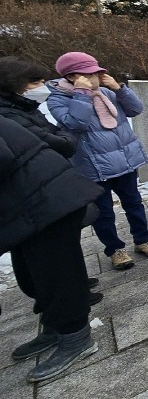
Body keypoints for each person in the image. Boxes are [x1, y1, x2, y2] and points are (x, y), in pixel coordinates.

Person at [0, 116, 104, 382]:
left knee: (57, 274)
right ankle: (54, 327)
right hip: (26, 202)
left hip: (45, 198)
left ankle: (76, 339)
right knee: (31, 273)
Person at [0, 56, 104, 305]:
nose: (42, 85)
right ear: (14, 85)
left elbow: (58, 134)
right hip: (33, 197)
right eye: (35, 81)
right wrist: (79, 98)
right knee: (48, 259)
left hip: (47, 192)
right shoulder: (10, 116)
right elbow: (64, 139)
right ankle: (60, 304)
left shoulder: (24, 108)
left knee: (62, 253)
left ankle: (70, 290)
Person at [48, 52, 148, 271]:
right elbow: (76, 123)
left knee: (134, 203)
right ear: (73, 76)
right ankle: (114, 249)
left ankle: (142, 239)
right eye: (90, 74)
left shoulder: (106, 93)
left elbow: (135, 109)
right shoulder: (59, 99)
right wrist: (82, 94)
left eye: (98, 73)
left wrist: (119, 89)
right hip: (94, 167)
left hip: (124, 160)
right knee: (103, 212)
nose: (96, 78)